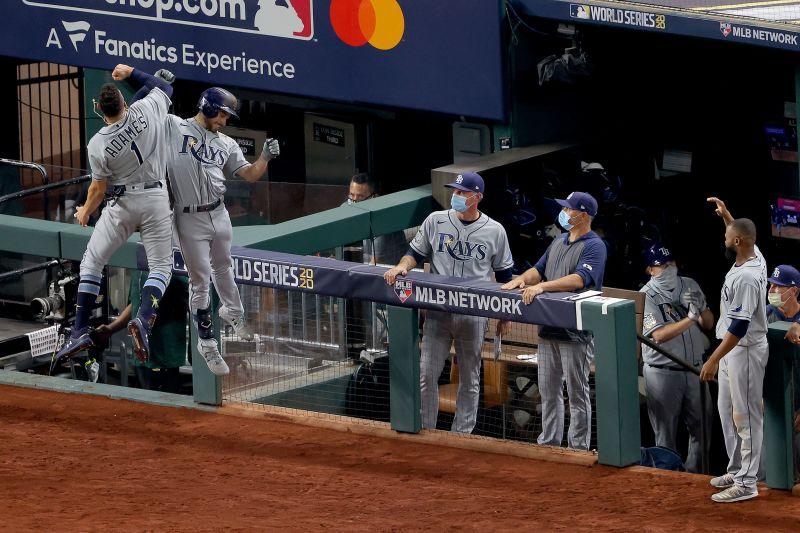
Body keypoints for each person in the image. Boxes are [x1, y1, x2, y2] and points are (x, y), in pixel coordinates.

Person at [123, 74, 280, 376]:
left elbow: (248, 175)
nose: (224, 120)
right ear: (207, 107)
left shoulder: (227, 143)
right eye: (222, 113)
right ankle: (207, 345)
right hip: (188, 215)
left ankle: (234, 315)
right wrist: (147, 84)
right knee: (200, 282)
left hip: (219, 213)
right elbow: (134, 116)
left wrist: (264, 158)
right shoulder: (173, 126)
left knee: (224, 268)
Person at [55, 64, 174, 364]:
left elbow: (97, 189)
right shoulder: (146, 108)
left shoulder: (97, 143)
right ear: (124, 101)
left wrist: (84, 211)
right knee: (161, 268)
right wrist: (132, 72)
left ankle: (80, 329)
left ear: (98, 110)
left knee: (92, 262)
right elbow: (163, 87)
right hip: (156, 197)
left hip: (123, 205)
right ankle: (144, 321)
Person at [383, 171, 514, 433]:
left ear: (477, 197)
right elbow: (414, 254)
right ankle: (427, 430)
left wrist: (505, 314)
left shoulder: (495, 231)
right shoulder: (435, 221)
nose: (456, 195)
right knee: (426, 374)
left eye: (462, 192)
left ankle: (462, 435)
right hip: (438, 312)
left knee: (470, 378)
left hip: (473, 313)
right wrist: (402, 267)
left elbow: (505, 277)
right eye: (455, 191)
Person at [502, 191, 607, 450]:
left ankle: (578, 448)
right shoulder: (559, 241)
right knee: (548, 392)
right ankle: (548, 443)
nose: (564, 213)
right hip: (547, 329)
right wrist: (523, 280)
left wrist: (543, 287)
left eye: (569, 209)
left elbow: (580, 279)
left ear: (583, 215)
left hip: (575, 331)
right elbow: (538, 270)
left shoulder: (595, 246)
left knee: (577, 394)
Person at [700, 197, 768, 503]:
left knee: (746, 416)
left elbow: (738, 329)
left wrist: (714, 359)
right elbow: (738, 232)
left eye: (728, 236)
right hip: (731, 349)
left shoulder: (747, 277)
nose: (724, 238)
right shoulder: (754, 255)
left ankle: (748, 482)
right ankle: (737, 468)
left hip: (745, 350)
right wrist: (727, 216)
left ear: (738, 241)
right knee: (727, 412)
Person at [640, 244, 714, 472]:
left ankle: (694, 479)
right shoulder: (646, 295)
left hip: (695, 371)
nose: (668, 269)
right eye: (661, 266)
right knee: (665, 437)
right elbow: (659, 335)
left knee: (703, 432)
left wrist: (701, 310)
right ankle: (668, 484)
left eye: (670, 263)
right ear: (650, 270)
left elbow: (709, 324)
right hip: (663, 374)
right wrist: (690, 318)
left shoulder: (689, 284)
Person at [95, 273, 190, 393]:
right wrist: (111, 328)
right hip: (140, 356)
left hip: (164, 356)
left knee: (161, 407)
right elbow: (136, 304)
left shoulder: (175, 271)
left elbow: (194, 302)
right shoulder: (138, 271)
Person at [764, 264, 800, 484]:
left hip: (797, 404)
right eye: (771, 285)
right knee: (772, 470)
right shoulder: (764, 316)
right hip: (772, 403)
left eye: (778, 287)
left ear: (793, 290)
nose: (772, 291)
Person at [346, 173, 408, 265]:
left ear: (374, 197)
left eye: (360, 197)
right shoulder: (348, 205)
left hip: (390, 271)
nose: (354, 202)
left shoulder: (382, 220)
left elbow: (375, 263)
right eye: (352, 195)